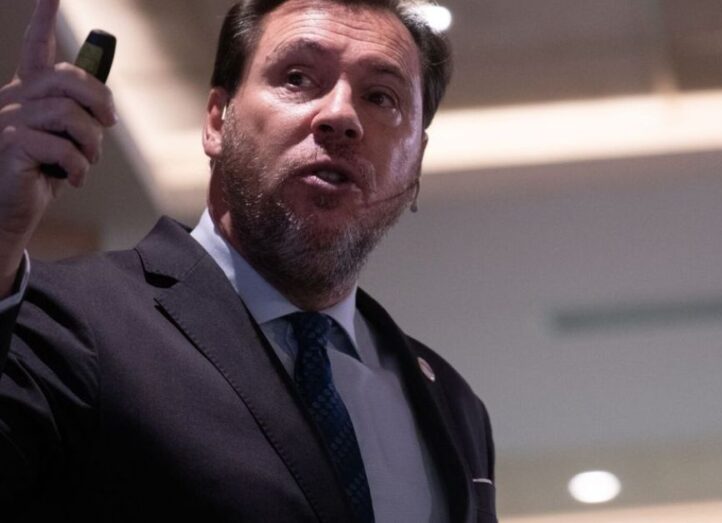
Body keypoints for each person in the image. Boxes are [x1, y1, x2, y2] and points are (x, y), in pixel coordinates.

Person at [0, 0, 496, 521]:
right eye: (297, 78)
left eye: (380, 97)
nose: (341, 116)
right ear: (217, 121)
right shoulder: (69, 317)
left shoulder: (453, 405)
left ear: (415, 164)